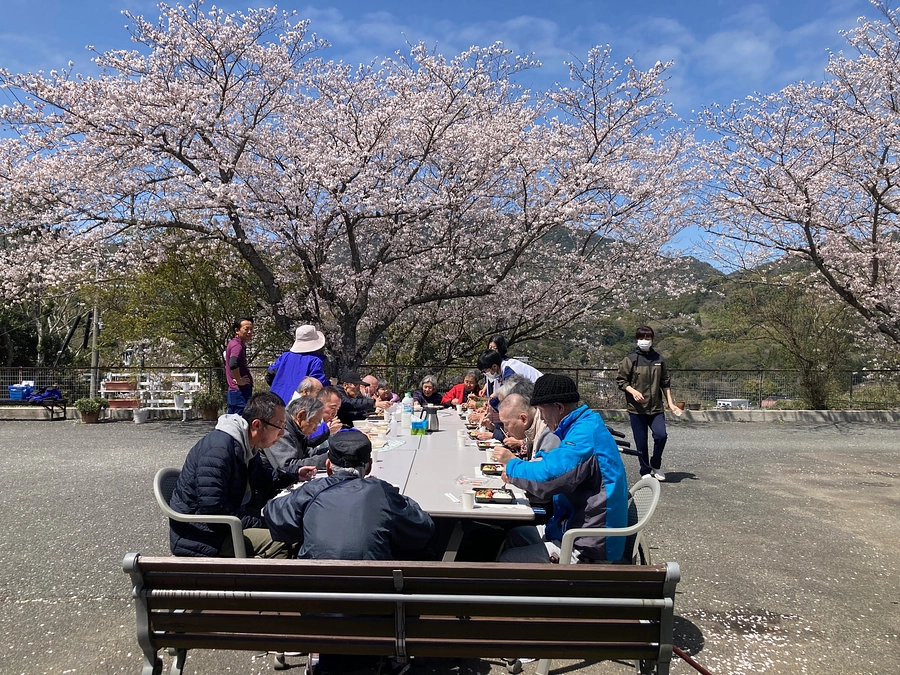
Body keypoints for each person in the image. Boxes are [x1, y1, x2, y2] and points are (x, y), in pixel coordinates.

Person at [493, 374, 628, 564]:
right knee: (517, 535)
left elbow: (550, 479)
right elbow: (557, 461)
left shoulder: (583, 434)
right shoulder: (582, 425)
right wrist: (536, 462)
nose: (539, 416)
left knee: (508, 560)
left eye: (540, 409)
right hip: (574, 527)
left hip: (588, 544)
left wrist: (513, 467)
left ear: (558, 407)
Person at [168, 392, 316, 558]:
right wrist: (261, 521)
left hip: (224, 522)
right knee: (283, 540)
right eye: (280, 426)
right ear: (257, 425)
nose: (282, 433)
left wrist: (294, 474)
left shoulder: (246, 445)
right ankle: (256, 583)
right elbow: (213, 509)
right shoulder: (219, 451)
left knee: (292, 527)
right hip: (202, 534)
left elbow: (262, 478)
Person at [265, 429, 436, 560]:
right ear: (369, 466)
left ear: (328, 466)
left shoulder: (311, 491)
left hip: (316, 598)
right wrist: (399, 497)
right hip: (373, 598)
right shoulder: (382, 492)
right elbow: (423, 528)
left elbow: (272, 513)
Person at [615, 325, 682, 481]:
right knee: (641, 442)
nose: (644, 341)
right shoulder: (630, 359)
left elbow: (665, 383)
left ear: (652, 339)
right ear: (637, 339)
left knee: (661, 435)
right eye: (641, 338)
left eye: (647, 338)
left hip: (656, 407)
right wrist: (633, 391)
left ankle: (655, 463)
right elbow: (621, 381)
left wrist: (671, 404)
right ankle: (644, 470)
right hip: (636, 409)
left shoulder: (659, 359)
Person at [260, 395, 328, 474]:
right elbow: (288, 466)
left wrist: (332, 452)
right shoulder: (281, 431)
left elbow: (307, 453)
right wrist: (327, 458)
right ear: (301, 415)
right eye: (314, 423)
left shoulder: (296, 430)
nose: (315, 429)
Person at [265, 325, 329, 406]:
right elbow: (318, 386)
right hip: (298, 404)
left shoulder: (284, 356)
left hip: (274, 400)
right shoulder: (315, 361)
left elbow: (269, 375)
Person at [497, 392, 560, 460]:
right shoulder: (531, 429)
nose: (505, 429)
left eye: (506, 424)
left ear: (523, 419)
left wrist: (512, 461)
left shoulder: (548, 432)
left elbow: (543, 469)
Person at [224, 317, 254, 415]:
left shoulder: (236, 343)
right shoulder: (237, 345)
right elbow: (233, 363)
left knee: (232, 422)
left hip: (235, 392)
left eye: (251, 329)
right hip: (240, 392)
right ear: (237, 330)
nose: (249, 332)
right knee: (240, 423)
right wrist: (239, 380)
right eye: (246, 329)